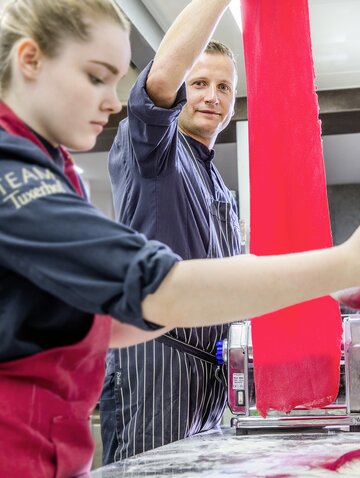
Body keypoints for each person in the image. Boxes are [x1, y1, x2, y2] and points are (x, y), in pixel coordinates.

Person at [1, 0, 360, 477]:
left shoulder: (59, 169)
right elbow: (156, 291)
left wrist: (323, 293)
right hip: (151, 374)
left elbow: (120, 320)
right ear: (29, 61)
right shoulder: (139, 150)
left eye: (224, 87)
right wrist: (345, 262)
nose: (112, 102)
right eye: (96, 76)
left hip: (186, 372)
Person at [101, 0, 243, 462]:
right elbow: (160, 80)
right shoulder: (152, 148)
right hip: (157, 360)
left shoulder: (217, 180)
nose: (211, 96)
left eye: (224, 86)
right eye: (199, 83)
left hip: (212, 374)